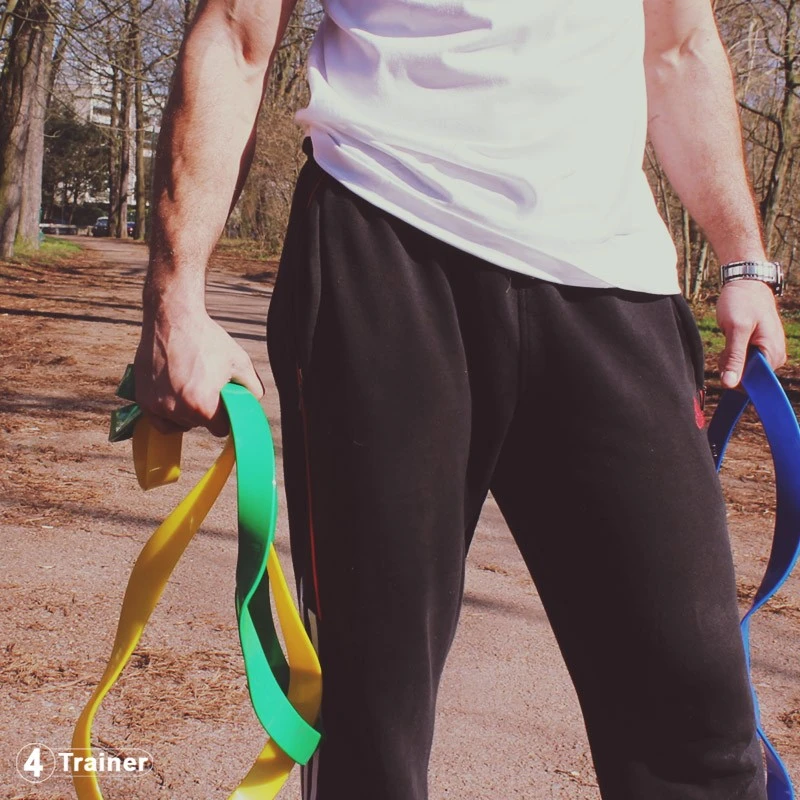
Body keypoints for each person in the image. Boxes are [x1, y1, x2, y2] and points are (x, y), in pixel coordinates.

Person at [133, 0, 788, 797]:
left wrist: (744, 260)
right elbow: (236, 33)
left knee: (699, 727)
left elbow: (680, 48)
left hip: (612, 274)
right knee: (369, 725)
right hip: (381, 243)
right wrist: (175, 301)